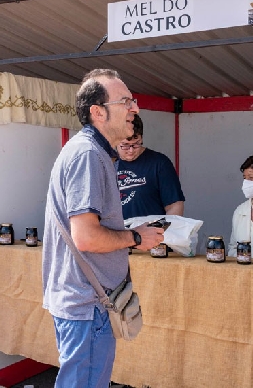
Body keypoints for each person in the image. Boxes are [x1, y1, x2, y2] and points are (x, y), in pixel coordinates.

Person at [42, 69, 164, 387]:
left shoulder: (93, 153)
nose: (134, 109)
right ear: (98, 112)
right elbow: (86, 236)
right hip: (88, 304)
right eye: (125, 101)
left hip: (87, 301)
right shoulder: (88, 155)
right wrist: (137, 237)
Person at [117, 114, 185, 220]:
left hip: (152, 233)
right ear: (115, 141)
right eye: (125, 145)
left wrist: (166, 232)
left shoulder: (159, 163)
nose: (131, 150)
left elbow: (175, 205)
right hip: (117, 234)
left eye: (136, 144)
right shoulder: (107, 164)